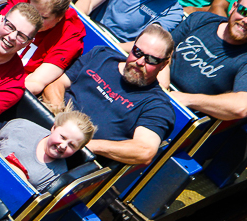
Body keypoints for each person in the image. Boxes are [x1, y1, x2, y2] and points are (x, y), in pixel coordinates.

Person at [44, 24, 175, 165]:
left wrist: (82, 143)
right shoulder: (101, 56)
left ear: (163, 65)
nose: (140, 62)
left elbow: (144, 151)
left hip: (78, 161)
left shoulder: (158, 105)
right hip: (48, 128)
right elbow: (55, 83)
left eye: (152, 60)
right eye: (137, 52)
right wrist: (60, 122)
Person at [161, 0, 247, 120]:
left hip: (182, 113)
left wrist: (186, 99)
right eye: (244, 11)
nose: (246, 20)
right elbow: (165, 48)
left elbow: (242, 107)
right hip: (155, 85)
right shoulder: (201, 19)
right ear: (233, 8)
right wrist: (163, 84)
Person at [0, 0, 86, 96]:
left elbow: (35, 82)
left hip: (11, 87)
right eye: (32, 10)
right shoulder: (22, 2)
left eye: (43, 17)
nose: (34, 21)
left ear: (59, 17)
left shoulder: (70, 33)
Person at [0, 108, 96, 190]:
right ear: (54, 128)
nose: (63, 146)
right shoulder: (21, 127)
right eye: (62, 137)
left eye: (72, 145)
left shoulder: (57, 176)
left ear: (78, 149)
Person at [75, 0, 183, 44]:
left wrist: (107, 46)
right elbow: (87, 4)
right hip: (86, 28)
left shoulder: (174, 12)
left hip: (116, 49)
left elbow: (144, 43)